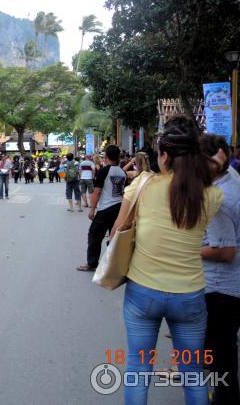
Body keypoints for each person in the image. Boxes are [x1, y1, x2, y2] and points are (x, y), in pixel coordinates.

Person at [112, 115, 222, 404]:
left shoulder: (144, 185)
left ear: (163, 155)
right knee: (193, 373)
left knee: (138, 369)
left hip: (143, 294)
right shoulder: (212, 195)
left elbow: (116, 233)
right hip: (190, 297)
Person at [199, 135, 240, 405]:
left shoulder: (218, 199)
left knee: (221, 352)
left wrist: (186, 249)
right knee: (221, 350)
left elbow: (225, 251)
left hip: (220, 288)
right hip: (226, 288)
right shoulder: (231, 177)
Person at [77, 145, 127, 272]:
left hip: (106, 208)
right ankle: (115, 265)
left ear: (106, 157)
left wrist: (92, 209)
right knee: (114, 237)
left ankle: (92, 263)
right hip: (119, 208)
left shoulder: (104, 171)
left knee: (94, 235)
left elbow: (97, 192)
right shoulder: (122, 172)